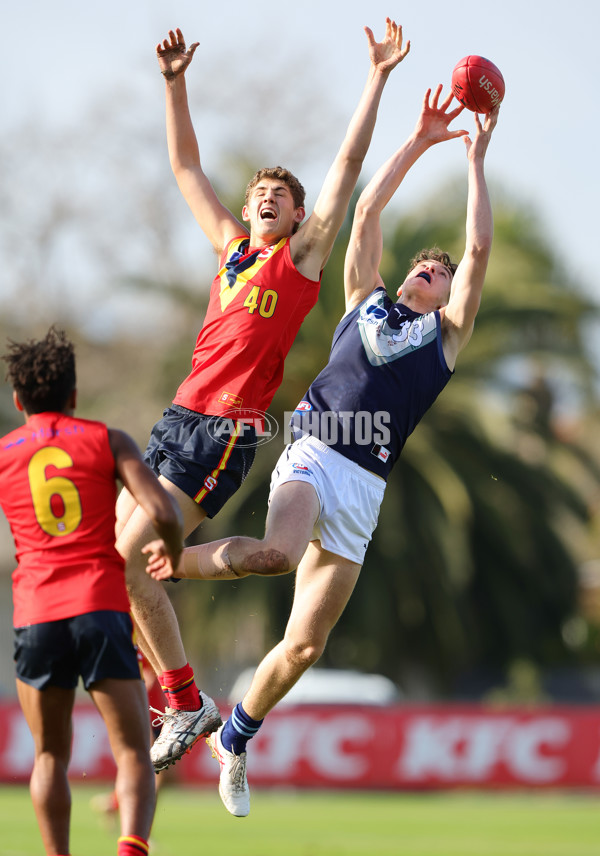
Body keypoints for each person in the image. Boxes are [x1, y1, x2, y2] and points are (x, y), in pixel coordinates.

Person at [146, 86, 500, 816]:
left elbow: (479, 248)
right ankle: (161, 566)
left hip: (365, 485)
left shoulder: (446, 340)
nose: (428, 273)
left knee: (305, 645)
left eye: (440, 276)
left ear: (449, 293)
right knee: (276, 553)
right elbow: (363, 211)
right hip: (314, 445)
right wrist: (420, 139)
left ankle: (236, 738)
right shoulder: (363, 296)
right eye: (424, 268)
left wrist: (477, 160)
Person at [114, 20, 411, 773]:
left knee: (128, 560)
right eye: (260, 194)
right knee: (109, 563)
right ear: (247, 211)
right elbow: (184, 166)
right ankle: (178, 693)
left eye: (282, 194)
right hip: (175, 421)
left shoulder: (302, 261)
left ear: (295, 215)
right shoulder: (228, 252)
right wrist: (175, 83)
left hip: (224, 432)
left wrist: (377, 76)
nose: (268, 199)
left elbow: (346, 165)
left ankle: (184, 704)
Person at [0, 327, 184, 856]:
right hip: (99, 608)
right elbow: (164, 509)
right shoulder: (106, 440)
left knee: (49, 756)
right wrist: (170, 552)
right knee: (131, 751)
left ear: (17, 401)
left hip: (35, 614)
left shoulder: (7, 453)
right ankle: (130, 850)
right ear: (74, 395)